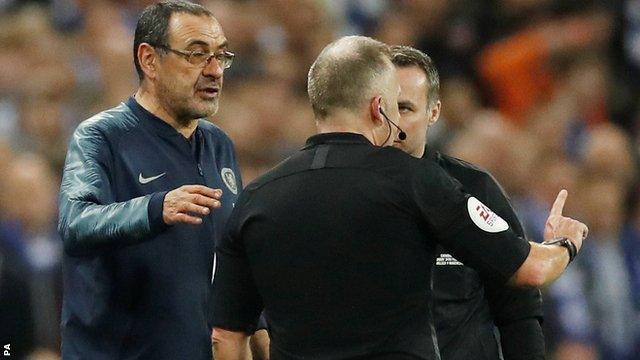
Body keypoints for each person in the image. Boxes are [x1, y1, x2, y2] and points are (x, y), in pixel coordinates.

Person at [210, 36, 588, 360]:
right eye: (396, 104)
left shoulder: (256, 197)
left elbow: (226, 336)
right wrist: (565, 242)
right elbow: (531, 270)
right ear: (378, 107)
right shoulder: (417, 181)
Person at [57, 1, 242, 359]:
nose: (215, 70)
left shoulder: (220, 145)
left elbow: (234, 253)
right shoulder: (101, 137)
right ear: (149, 60)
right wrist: (157, 208)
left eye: (221, 56)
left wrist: (258, 324)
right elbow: (74, 221)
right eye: (197, 55)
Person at [390, 45, 545, 360]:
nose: (393, 123)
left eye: (405, 108)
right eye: (383, 108)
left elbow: (518, 309)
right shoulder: (344, 192)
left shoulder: (476, 188)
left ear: (433, 112)